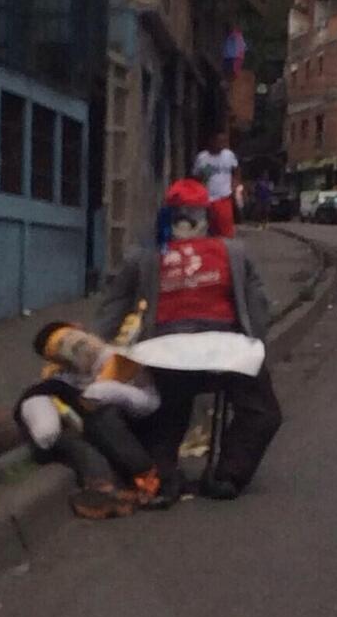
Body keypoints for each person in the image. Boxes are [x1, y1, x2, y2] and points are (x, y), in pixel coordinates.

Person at [94, 178, 282, 506]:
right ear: (207, 217)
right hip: (227, 351)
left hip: (166, 351)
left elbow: (114, 306)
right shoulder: (233, 252)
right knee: (261, 411)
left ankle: (163, 478)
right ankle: (227, 475)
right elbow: (258, 305)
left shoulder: (145, 258)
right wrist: (256, 346)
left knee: (163, 412)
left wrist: (94, 348)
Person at [15, 322, 161, 518]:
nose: (75, 348)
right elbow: (43, 394)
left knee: (98, 409)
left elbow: (133, 396)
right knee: (74, 434)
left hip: (139, 421)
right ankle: (104, 486)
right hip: (109, 431)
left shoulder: (117, 357)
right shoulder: (64, 377)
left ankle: (143, 476)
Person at [193, 132, 239, 238]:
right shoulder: (202, 158)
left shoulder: (229, 155)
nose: (221, 144)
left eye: (224, 142)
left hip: (224, 197)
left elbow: (236, 170)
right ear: (211, 141)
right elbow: (195, 177)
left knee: (226, 230)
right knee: (208, 230)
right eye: (219, 141)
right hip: (206, 199)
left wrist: (234, 185)